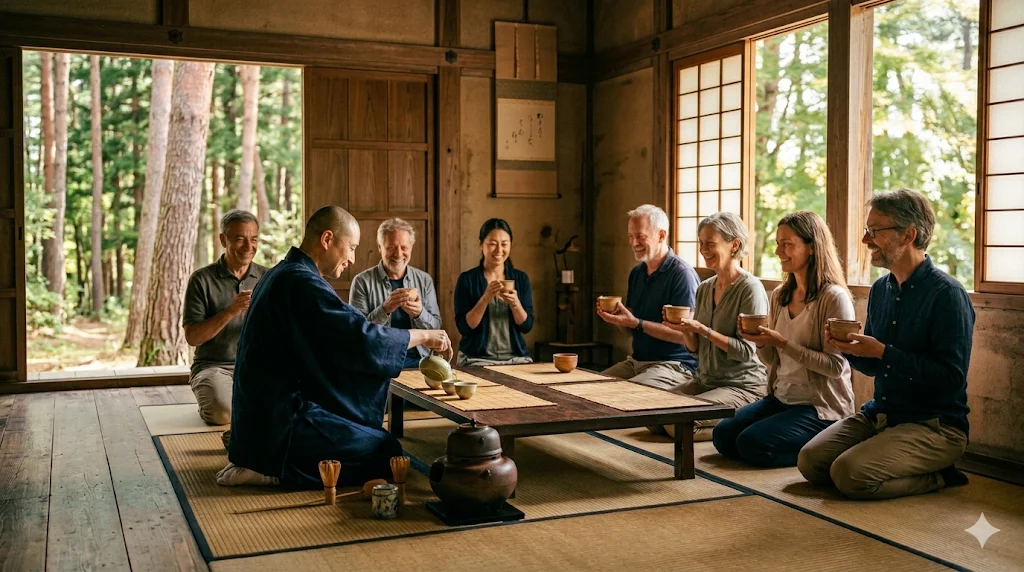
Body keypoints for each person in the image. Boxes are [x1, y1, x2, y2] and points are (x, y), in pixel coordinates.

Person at [216, 205, 451, 488]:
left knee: (365, 434)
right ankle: (274, 470)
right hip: (282, 420)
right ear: (327, 239)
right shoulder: (300, 281)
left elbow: (334, 344)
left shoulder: (283, 272)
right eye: (351, 247)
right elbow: (360, 338)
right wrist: (424, 336)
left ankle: (253, 451)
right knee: (386, 451)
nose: (352, 258)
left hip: (260, 415)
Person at [798, 189, 974, 500]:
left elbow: (950, 378)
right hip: (881, 415)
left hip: (933, 425)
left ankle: (939, 476)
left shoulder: (947, 295)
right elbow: (876, 365)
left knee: (848, 475)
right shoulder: (881, 289)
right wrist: (850, 350)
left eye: (874, 231)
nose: (866, 240)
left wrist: (882, 351)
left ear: (908, 235)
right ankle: (883, 456)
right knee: (810, 462)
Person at [712, 211, 855, 467]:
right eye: (778, 244)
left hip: (818, 406)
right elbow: (770, 360)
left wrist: (782, 343)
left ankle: (827, 449)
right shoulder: (780, 295)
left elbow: (836, 367)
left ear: (812, 247)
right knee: (723, 435)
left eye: (787, 244)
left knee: (751, 444)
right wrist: (761, 341)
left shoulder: (833, 298)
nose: (779, 251)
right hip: (780, 399)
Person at [658, 212, 768, 440]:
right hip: (705, 381)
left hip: (741, 385)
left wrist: (703, 330)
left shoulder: (750, 288)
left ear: (734, 244)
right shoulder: (705, 288)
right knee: (652, 413)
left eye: (710, 243)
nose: (703, 249)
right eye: (701, 243)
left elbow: (747, 351)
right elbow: (696, 348)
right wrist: (686, 330)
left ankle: (745, 420)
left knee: (675, 425)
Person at [183, 209, 267, 446]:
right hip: (214, 366)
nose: (248, 246)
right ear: (223, 240)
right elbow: (192, 337)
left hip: (257, 368)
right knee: (222, 412)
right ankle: (213, 402)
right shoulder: (201, 280)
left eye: (253, 239)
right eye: (239, 239)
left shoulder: (267, 277)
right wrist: (230, 311)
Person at [596, 204, 700, 389]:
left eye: (640, 236)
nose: (633, 243)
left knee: (624, 394)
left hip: (674, 365)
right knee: (588, 388)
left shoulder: (682, 274)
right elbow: (632, 329)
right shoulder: (637, 273)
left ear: (661, 235)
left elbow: (684, 335)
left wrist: (637, 323)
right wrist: (618, 319)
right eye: (630, 236)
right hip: (636, 362)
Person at [350, 218, 442, 369]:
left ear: (411, 247)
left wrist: (419, 313)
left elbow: (436, 327)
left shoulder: (424, 280)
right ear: (380, 247)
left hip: (420, 362)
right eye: (391, 247)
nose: (398, 254)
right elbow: (358, 334)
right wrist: (385, 309)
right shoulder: (362, 282)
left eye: (404, 247)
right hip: (379, 362)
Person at [454, 218, 534, 367]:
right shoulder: (467, 279)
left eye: (504, 244)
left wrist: (515, 303)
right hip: (476, 359)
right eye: (492, 244)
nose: (499, 250)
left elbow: (527, 326)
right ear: (481, 245)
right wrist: (485, 298)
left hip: (515, 358)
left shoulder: (520, 278)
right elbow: (464, 327)